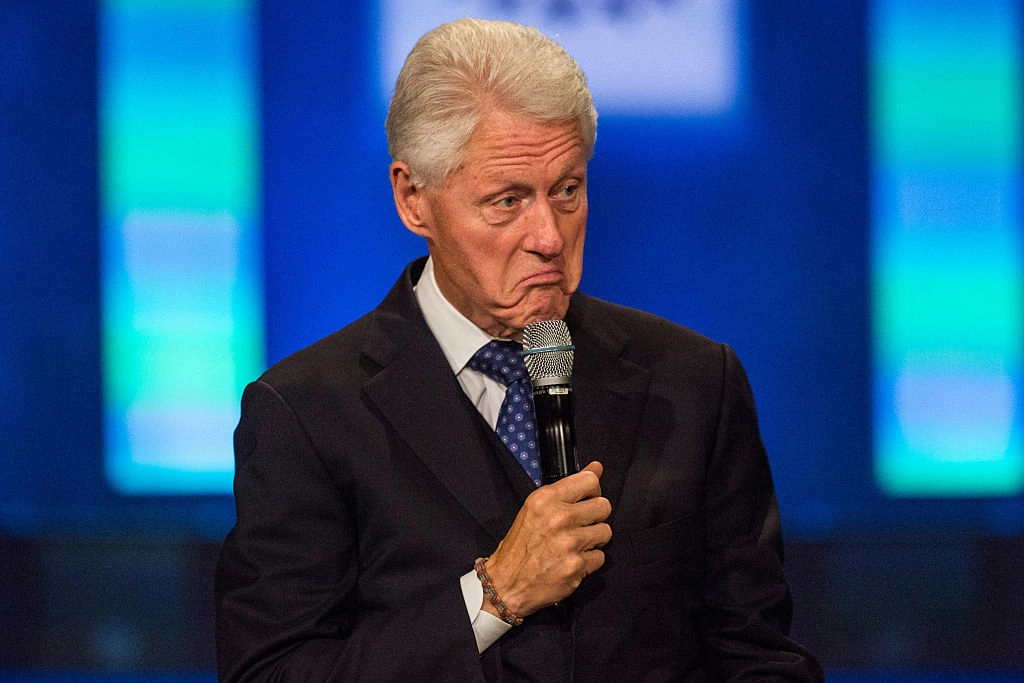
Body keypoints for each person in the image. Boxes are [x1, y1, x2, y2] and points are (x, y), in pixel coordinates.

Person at [215, 17, 823, 681]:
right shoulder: (306, 415)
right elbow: (272, 673)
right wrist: (493, 595)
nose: (549, 237)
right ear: (413, 199)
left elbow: (760, 657)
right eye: (507, 201)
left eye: (567, 191)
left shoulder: (695, 383)